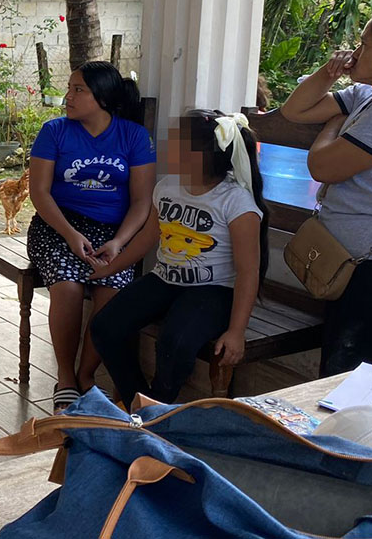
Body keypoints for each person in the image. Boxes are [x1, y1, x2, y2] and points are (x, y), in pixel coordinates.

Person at [279, 5, 372, 376]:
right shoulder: (371, 94)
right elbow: (294, 111)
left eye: (365, 44)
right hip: (358, 262)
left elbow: (322, 167)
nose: (355, 51)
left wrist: (332, 127)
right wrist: (327, 73)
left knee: (362, 385)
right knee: (341, 378)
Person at [89, 110, 267, 405]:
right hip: (165, 279)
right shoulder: (167, 187)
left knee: (175, 341)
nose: (167, 147)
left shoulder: (236, 202)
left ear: (201, 156)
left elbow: (249, 271)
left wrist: (237, 331)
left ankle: (158, 407)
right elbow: (147, 237)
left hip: (214, 290)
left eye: (176, 143)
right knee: (105, 327)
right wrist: (109, 269)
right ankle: (140, 402)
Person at [24, 61, 155, 411]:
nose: (68, 96)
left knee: (112, 293)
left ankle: (86, 375)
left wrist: (119, 242)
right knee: (67, 286)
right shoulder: (54, 131)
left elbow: (142, 202)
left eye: (78, 89)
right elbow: (40, 193)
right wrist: (70, 234)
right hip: (56, 226)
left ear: (103, 97)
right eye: (70, 88)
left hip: (113, 232)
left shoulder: (134, 136)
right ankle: (66, 377)